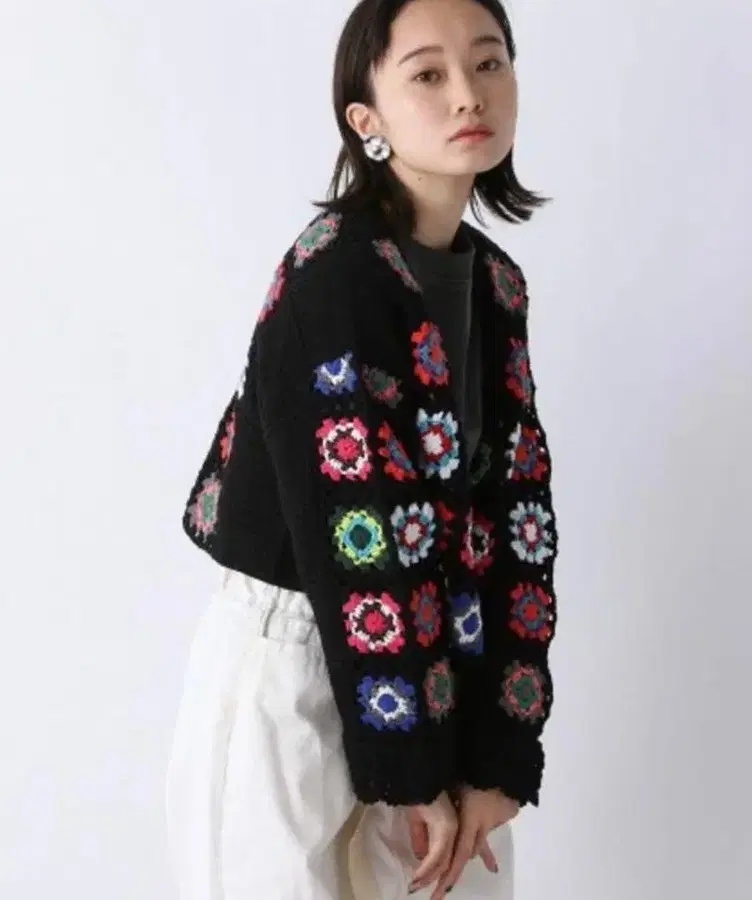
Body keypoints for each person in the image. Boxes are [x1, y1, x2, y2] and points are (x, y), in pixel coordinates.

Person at [164, 0, 559, 897]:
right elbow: (356, 532)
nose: (468, 94)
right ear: (365, 117)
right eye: (428, 74)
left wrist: (499, 753)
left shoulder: (496, 285)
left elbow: (515, 515)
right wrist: (413, 770)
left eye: (489, 63)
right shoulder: (332, 275)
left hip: (432, 661)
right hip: (294, 668)